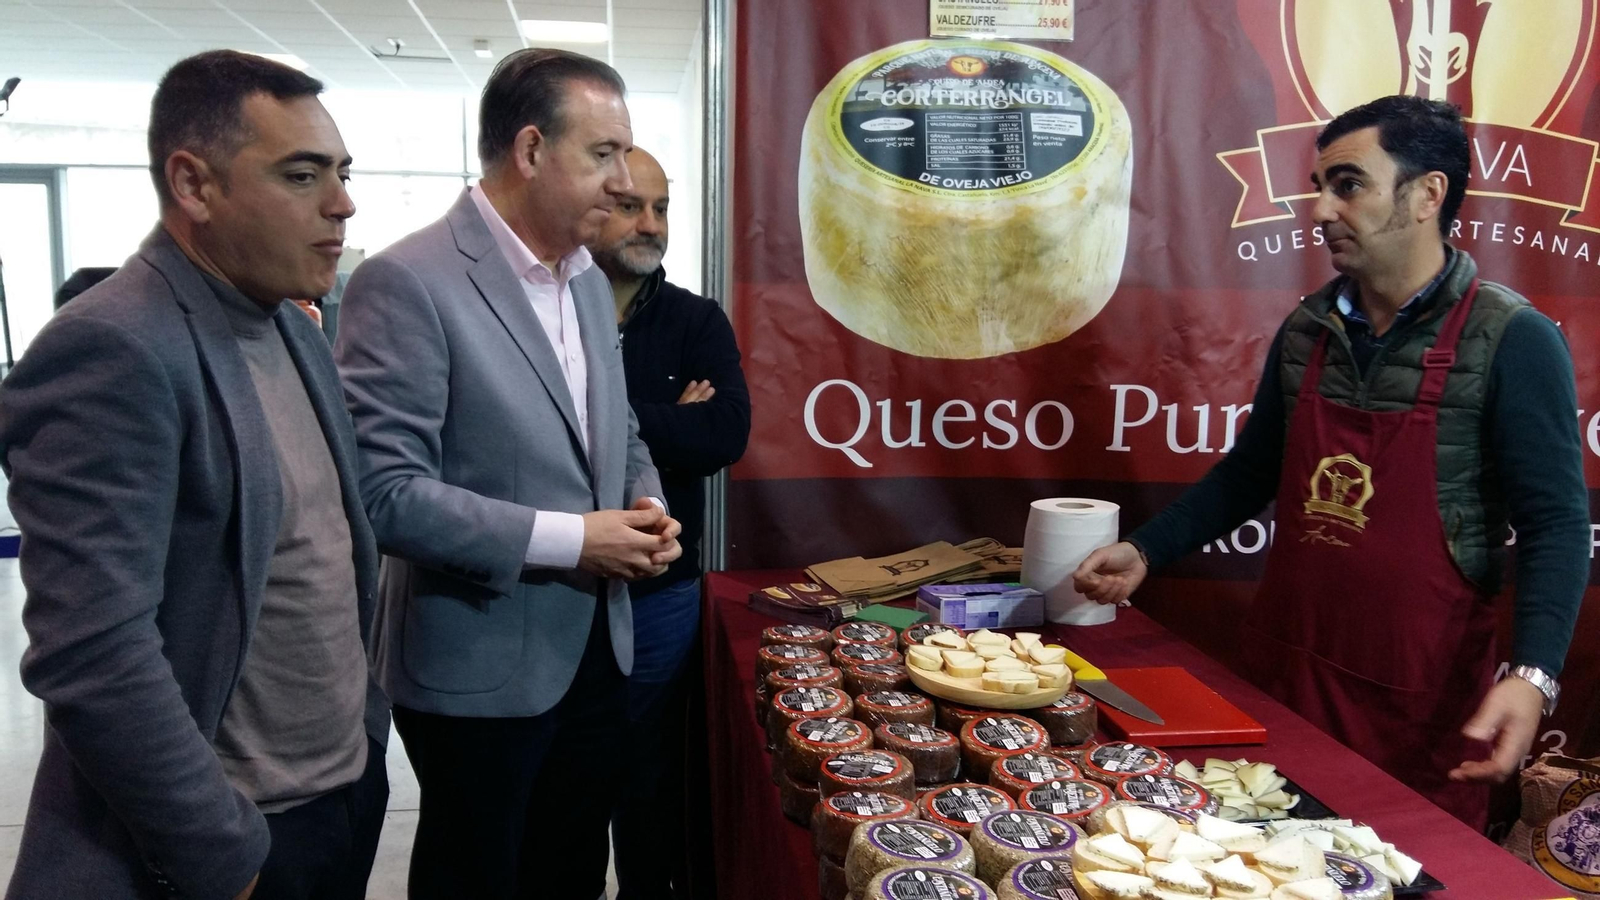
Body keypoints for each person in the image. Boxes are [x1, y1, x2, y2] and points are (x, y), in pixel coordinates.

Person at [1072, 95, 1588, 829]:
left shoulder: (1513, 339)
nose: (1320, 208)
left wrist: (1533, 678)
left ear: (1427, 194)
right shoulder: (1309, 327)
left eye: (1348, 185)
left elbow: (1557, 524)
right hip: (1288, 677)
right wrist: (1145, 549)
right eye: (1319, 185)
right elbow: (1252, 471)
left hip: (1421, 707)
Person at [0, 50, 388, 900]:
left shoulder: (291, 327)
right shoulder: (112, 347)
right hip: (218, 845)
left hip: (338, 797)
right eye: (301, 174)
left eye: (343, 172)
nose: (343, 203)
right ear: (194, 186)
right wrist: (223, 856)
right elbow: (93, 655)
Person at [333, 48, 680, 900]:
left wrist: (646, 505)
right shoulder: (407, 281)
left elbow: (619, 427)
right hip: (478, 665)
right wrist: (576, 541)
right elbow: (384, 494)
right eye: (603, 154)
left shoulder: (588, 282)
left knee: (567, 872)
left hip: (599, 647)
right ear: (531, 151)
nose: (621, 177)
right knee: (479, 876)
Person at [588, 147, 750, 899]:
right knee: (566, 784)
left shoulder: (695, 318)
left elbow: (723, 436)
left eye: (661, 207)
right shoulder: (545, 310)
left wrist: (611, 422)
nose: (649, 224)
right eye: (629, 206)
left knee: (652, 780)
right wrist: (663, 419)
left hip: (662, 596)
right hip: (556, 588)